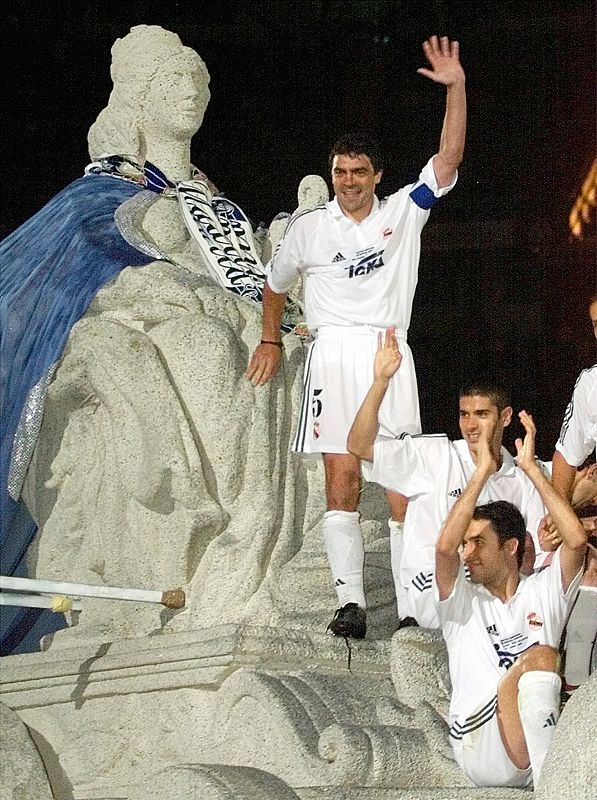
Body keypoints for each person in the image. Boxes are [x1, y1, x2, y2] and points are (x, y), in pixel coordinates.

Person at [245, 35, 467, 638]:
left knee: (401, 486)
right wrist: (269, 340)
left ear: (377, 176)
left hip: (389, 353)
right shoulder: (311, 230)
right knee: (340, 479)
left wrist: (456, 89)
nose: (347, 181)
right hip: (333, 354)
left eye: (357, 172)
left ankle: (415, 612)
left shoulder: (404, 211)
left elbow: (447, 160)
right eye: (339, 171)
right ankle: (349, 604)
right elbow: (274, 284)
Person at [347, 328, 547, 629]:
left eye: (481, 414)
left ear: (505, 418)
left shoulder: (521, 475)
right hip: (435, 584)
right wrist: (381, 381)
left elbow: (536, 550)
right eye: (464, 414)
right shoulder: (436, 455)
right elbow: (359, 446)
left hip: (492, 586)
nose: (470, 425)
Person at [434, 410, 586, 788]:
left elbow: (577, 541)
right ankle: (554, 786)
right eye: (466, 544)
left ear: (511, 547)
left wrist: (533, 470)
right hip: (479, 739)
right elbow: (443, 548)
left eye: (478, 542)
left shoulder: (542, 589)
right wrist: (482, 471)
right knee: (540, 655)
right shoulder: (461, 602)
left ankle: (549, 777)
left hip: (529, 732)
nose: (467, 553)